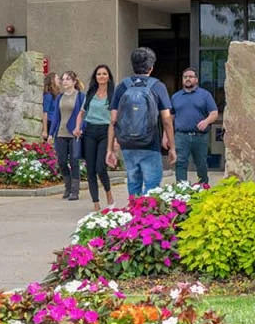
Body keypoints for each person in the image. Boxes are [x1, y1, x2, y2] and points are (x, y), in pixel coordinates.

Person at [106, 47, 175, 197]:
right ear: (151, 67)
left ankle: (134, 214)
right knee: (152, 186)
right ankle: (146, 218)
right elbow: (167, 120)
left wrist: (110, 149)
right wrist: (172, 147)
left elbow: (113, 120)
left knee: (133, 183)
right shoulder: (158, 86)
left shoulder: (122, 86)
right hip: (150, 144)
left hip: (128, 144)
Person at [76, 64, 116, 211]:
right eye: (99, 74)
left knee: (100, 166)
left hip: (106, 131)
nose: (101, 76)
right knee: (90, 169)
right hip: (90, 131)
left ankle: (109, 194)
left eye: (104, 74)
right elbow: (81, 112)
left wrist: (116, 139)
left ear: (109, 77)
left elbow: (116, 118)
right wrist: (77, 127)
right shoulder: (91, 93)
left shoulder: (113, 94)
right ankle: (96, 204)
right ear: (95, 77)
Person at [171, 67, 218, 185]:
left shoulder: (205, 95)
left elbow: (214, 113)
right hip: (181, 136)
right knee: (180, 163)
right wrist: (166, 137)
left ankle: (203, 187)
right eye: (185, 77)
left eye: (190, 77)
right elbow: (170, 118)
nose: (187, 79)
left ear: (196, 80)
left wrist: (206, 121)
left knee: (201, 163)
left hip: (200, 137)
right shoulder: (176, 97)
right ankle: (182, 190)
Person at [48, 71, 86, 201]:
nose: (65, 81)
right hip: (61, 133)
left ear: (74, 82)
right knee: (62, 161)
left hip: (74, 134)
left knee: (74, 162)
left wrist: (81, 129)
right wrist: (51, 133)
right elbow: (55, 118)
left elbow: (84, 115)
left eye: (68, 79)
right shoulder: (60, 97)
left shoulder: (80, 96)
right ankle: (67, 187)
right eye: (63, 79)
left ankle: (75, 191)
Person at [41, 72, 59, 142]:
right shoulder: (48, 95)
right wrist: (45, 130)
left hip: (55, 122)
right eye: (57, 79)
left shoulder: (56, 95)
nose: (59, 81)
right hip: (50, 123)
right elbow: (45, 112)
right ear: (52, 80)